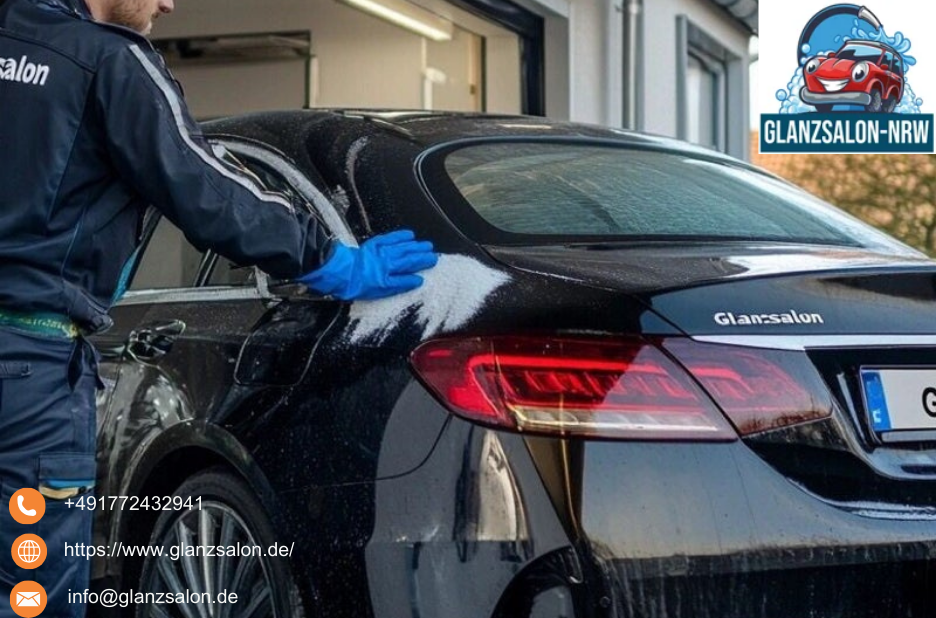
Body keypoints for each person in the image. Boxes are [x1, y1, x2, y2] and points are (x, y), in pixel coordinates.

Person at [0, 0, 438, 615]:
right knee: (28, 593)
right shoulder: (110, 62)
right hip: (29, 378)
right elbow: (208, 190)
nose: (168, 4)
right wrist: (335, 261)